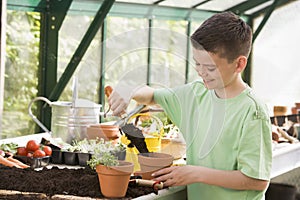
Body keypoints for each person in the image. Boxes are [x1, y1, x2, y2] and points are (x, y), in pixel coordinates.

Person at [108, 11, 272, 200]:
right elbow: (152, 96)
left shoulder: (252, 111)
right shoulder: (197, 93)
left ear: (239, 64)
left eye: (210, 67)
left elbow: (257, 180)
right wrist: (129, 89)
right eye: (197, 64)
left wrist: (195, 173)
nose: (202, 73)